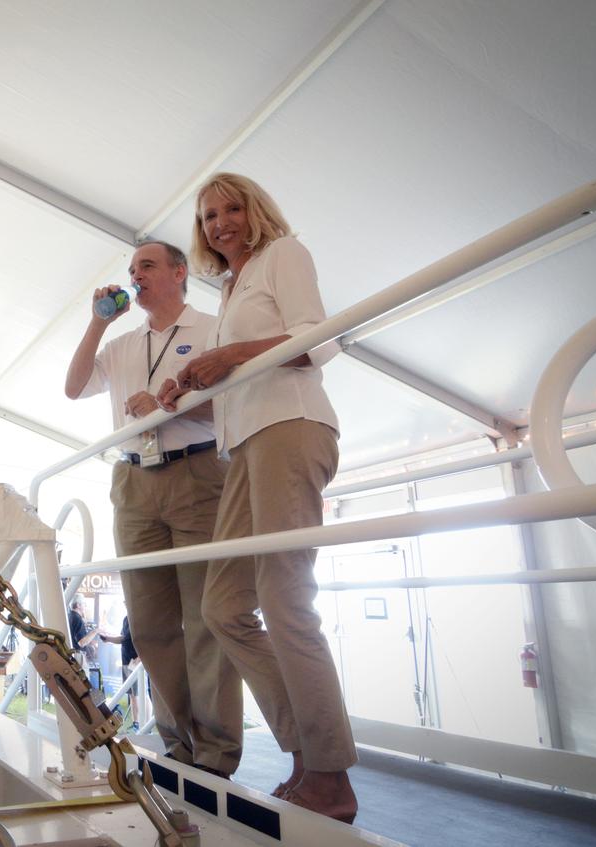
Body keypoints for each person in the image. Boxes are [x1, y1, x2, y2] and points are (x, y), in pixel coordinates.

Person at [158, 173, 356, 823]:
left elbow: (317, 340)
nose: (219, 222)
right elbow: (238, 377)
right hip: (244, 447)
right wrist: (188, 388)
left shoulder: (283, 255)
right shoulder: (230, 286)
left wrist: (229, 355)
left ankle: (328, 775)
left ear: (255, 209)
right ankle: (304, 748)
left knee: (283, 597)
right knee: (223, 606)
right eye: (208, 214)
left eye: (230, 207)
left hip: (289, 431)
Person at [65, 240, 243, 778]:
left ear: (178, 272)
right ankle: (178, 744)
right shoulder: (122, 343)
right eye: (131, 269)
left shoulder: (213, 328)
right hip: (133, 482)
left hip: (196, 474)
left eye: (146, 265)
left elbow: (234, 406)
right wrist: (96, 323)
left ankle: (215, 754)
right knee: (149, 622)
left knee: (206, 617)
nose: (135, 275)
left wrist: (170, 405)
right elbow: (74, 388)